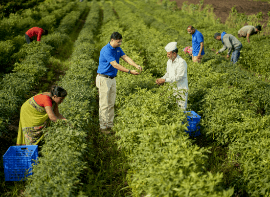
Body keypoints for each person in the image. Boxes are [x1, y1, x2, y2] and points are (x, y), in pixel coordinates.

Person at [96, 32, 142, 133]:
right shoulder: (106, 50)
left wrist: (136, 65)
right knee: (104, 104)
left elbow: (125, 57)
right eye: (118, 42)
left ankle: (110, 125)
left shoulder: (117, 48)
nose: (120, 43)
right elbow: (115, 65)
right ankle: (103, 127)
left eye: (121, 42)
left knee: (111, 103)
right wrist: (129, 71)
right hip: (103, 79)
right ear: (112, 40)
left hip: (112, 79)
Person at [156, 42, 188, 110]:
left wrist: (165, 80)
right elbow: (168, 73)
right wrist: (161, 79)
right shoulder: (169, 61)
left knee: (180, 110)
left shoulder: (181, 62)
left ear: (174, 53)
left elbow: (178, 77)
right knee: (171, 109)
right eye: (167, 54)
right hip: (172, 89)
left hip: (181, 90)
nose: (167, 55)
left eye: (169, 54)